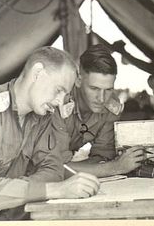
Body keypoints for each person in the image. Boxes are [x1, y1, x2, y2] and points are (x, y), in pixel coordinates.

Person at [0, 47, 100, 220]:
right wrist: (55, 189)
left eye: (65, 94)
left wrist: (5, 195)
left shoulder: (42, 116)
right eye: (58, 90)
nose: (60, 101)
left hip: (1, 210)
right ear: (37, 73)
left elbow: (53, 169)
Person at [49, 44, 144, 178]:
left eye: (108, 89)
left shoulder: (111, 106)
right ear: (78, 81)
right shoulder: (56, 102)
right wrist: (116, 167)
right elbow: (53, 168)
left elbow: (102, 157)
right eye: (94, 88)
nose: (102, 98)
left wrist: (101, 167)